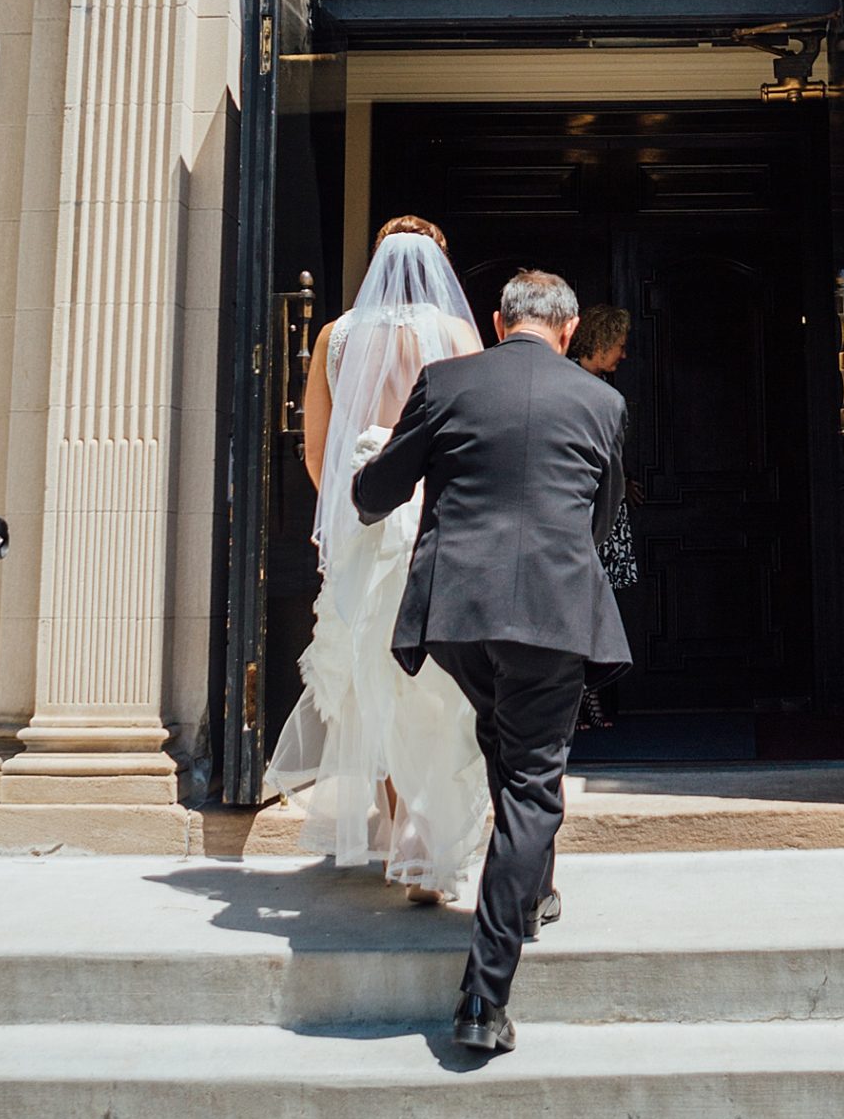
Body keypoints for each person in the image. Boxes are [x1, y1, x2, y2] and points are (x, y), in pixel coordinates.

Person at [353, 268, 629, 1055]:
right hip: (550, 611)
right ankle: (482, 1000)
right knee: (533, 785)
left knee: (509, 748)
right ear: (570, 331)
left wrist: (362, 486)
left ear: (499, 321)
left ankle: (533, 890)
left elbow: (379, 491)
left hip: (458, 616)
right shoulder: (602, 403)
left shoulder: (445, 384)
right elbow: (600, 520)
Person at [263, 217, 489, 905]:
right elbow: (479, 428)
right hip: (437, 523)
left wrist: (350, 515)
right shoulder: (453, 334)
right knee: (439, 684)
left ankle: (393, 834)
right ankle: (430, 842)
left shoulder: (336, 335)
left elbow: (315, 450)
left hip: (366, 522)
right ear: (440, 264)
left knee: (373, 680)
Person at [571, 304, 639, 734]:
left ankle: (588, 702)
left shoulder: (600, 392)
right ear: (597, 344)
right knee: (582, 614)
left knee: (593, 613)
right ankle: (583, 703)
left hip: (605, 515)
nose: (623, 355)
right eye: (618, 345)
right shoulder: (582, 390)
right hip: (587, 519)